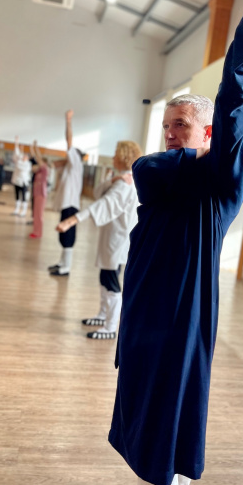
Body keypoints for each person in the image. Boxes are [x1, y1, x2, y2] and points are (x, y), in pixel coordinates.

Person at [96, 0, 243, 485]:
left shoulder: (217, 185)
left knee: (160, 425)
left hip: (177, 327)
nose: (171, 134)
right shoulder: (162, 174)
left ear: (208, 133)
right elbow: (149, 168)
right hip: (148, 320)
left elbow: (234, 104)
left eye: (183, 125)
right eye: (167, 126)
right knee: (168, 418)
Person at [56, 141, 142, 338]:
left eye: (115, 153)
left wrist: (73, 219)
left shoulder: (126, 183)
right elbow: (98, 193)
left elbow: (104, 204)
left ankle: (110, 327)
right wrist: (112, 180)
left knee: (110, 279)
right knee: (105, 277)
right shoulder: (121, 179)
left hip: (118, 239)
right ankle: (103, 315)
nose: (112, 157)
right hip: (112, 236)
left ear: (124, 156)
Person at [49, 110, 85, 277]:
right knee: (63, 236)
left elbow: (69, 141)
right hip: (67, 204)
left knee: (68, 236)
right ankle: (62, 263)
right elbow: (54, 164)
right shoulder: (71, 167)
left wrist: (68, 121)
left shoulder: (76, 163)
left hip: (71, 204)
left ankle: (66, 268)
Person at [28, 141, 49, 239]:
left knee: (39, 214)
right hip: (36, 194)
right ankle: (35, 231)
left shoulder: (45, 169)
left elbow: (38, 158)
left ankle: (38, 232)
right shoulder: (39, 171)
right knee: (36, 214)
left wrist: (36, 148)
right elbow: (34, 160)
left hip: (41, 194)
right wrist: (31, 149)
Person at [11, 136, 32, 217]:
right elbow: (16, 152)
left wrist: (18, 161)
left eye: (25, 156)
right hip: (17, 181)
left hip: (24, 182)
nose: (23, 157)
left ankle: (23, 211)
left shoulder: (28, 164)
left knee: (23, 197)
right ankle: (16, 210)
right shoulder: (19, 161)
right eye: (23, 155)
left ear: (28, 158)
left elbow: (21, 168)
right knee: (17, 196)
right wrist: (16, 142)